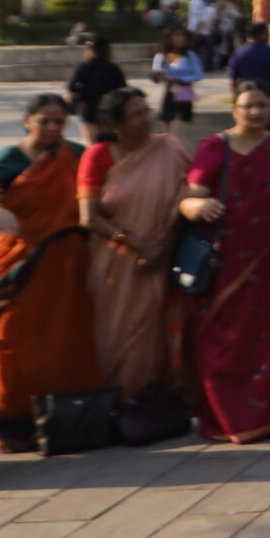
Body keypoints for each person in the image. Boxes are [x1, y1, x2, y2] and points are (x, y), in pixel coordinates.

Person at [178, 83, 270, 443]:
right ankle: (224, 419)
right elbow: (188, 200)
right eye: (248, 105)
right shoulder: (213, 148)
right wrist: (197, 208)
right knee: (221, 341)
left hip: (267, 264)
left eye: (262, 105)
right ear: (234, 110)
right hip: (223, 264)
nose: (255, 111)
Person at [0, 93, 100, 453]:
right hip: (15, 263)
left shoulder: (74, 154)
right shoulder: (8, 159)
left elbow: (92, 194)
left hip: (64, 264)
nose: (50, 128)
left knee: (63, 341)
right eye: (43, 121)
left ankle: (66, 417)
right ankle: (10, 422)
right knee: (9, 341)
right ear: (26, 121)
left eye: (58, 121)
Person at [77, 85, 190, 403]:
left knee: (160, 330)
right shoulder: (97, 156)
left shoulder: (170, 148)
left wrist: (163, 243)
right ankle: (119, 402)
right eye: (136, 115)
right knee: (118, 334)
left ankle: (159, 400)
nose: (146, 119)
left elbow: (189, 193)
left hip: (166, 255)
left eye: (147, 111)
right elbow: (89, 217)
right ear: (115, 125)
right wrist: (139, 244)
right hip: (116, 264)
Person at [65, 35, 127, 143]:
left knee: (91, 143)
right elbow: (122, 88)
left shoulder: (84, 66)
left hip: (88, 109)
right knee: (108, 144)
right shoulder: (113, 68)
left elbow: (71, 86)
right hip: (108, 110)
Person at [225, 21, 270, 117]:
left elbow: (233, 80)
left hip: (246, 99)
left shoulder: (238, 54)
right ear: (263, 34)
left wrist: (236, 99)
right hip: (269, 98)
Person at [149, 28, 203, 132]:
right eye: (177, 36)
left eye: (183, 36)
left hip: (184, 90)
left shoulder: (190, 55)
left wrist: (180, 78)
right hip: (170, 92)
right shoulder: (161, 56)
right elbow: (157, 77)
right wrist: (155, 74)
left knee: (177, 130)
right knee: (165, 127)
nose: (181, 39)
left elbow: (197, 75)